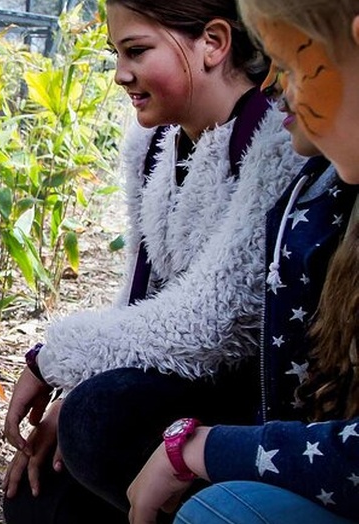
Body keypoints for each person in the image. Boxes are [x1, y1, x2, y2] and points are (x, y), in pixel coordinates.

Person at [1, 1, 310, 521]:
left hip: (254, 402)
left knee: (96, 420)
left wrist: (54, 359)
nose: (121, 74)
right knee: (38, 495)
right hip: (176, 384)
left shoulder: (277, 135)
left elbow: (210, 322)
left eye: (136, 51)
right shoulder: (152, 146)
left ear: (213, 43)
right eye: (116, 54)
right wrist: (74, 389)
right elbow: (141, 296)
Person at [127, 2, 359, 522]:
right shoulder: (314, 183)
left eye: (290, 64)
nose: (272, 84)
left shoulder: (276, 151)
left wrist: (199, 449)